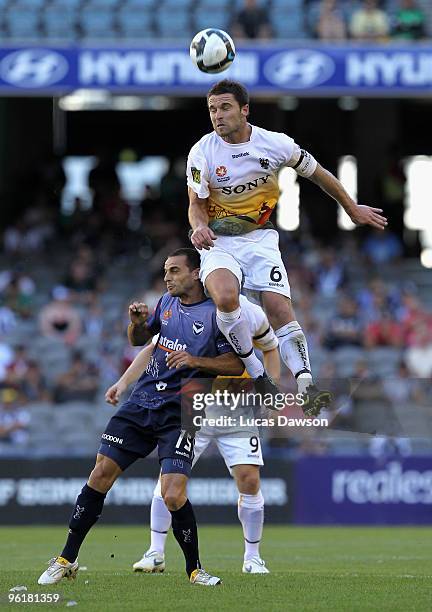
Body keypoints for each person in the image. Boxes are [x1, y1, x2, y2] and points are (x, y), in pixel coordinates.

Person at [38, 248, 243, 587]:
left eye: (175, 270)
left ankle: (195, 570)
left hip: (181, 410)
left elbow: (235, 364)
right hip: (141, 403)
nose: (167, 277)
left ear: (196, 274)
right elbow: (139, 340)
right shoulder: (165, 302)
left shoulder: (218, 315)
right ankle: (66, 559)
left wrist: (194, 360)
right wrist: (135, 325)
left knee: (173, 494)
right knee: (100, 473)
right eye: (166, 271)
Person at [187, 79, 387, 396]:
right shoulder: (202, 152)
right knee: (225, 297)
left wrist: (350, 208)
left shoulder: (276, 144)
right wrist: (199, 227)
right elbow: (196, 205)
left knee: (280, 310)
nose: (217, 115)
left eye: (225, 107)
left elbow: (319, 173)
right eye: (212, 109)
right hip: (220, 241)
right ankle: (257, 372)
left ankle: (306, 383)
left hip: (260, 239)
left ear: (245, 110)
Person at [105, 294, 280, 574]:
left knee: (249, 477)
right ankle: (155, 552)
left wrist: (270, 391)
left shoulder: (250, 312)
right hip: (191, 401)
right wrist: (123, 382)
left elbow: (271, 348)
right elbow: (152, 348)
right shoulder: (187, 309)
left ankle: (252, 557)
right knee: (169, 476)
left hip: (236, 405)